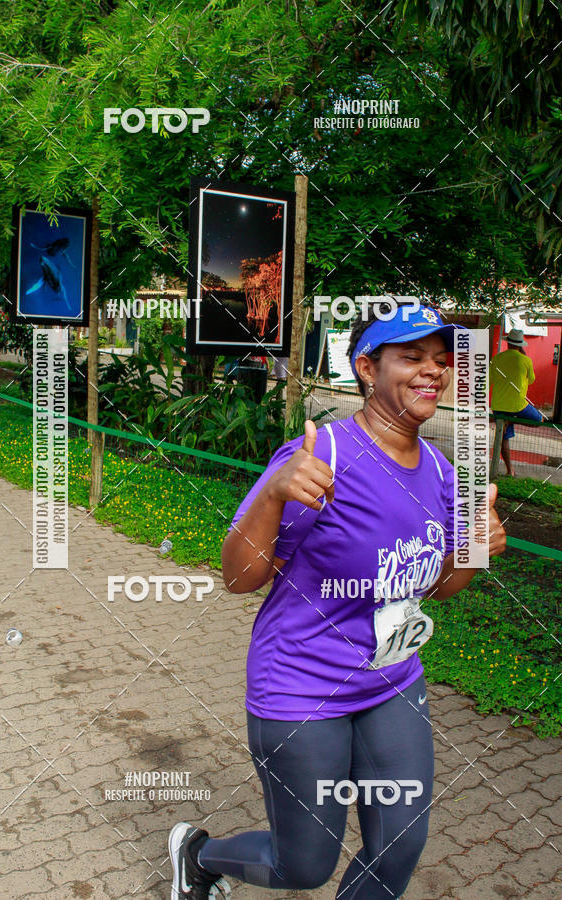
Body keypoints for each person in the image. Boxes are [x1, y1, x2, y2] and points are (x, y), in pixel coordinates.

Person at [168, 301, 507, 900]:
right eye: (412, 356)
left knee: (399, 846)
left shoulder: (440, 471)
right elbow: (240, 578)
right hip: (302, 688)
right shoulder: (322, 456)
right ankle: (198, 856)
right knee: (303, 867)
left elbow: (434, 586)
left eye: (441, 359)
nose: (432, 370)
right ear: (367, 369)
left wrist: (473, 553)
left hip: (392, 681)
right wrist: (273, 494)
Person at [489, 328, 543, 477]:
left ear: (508, 343)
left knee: (503, 438)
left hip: (498, 404)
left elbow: (488, 380)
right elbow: (531, 380)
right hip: (517, 405)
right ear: (520, 345)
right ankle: (511, 420)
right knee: (539, 420)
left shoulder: (497, 359)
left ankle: (509, 470)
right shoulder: (526, 360)